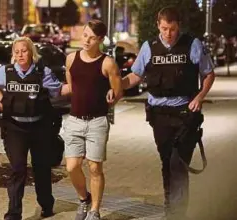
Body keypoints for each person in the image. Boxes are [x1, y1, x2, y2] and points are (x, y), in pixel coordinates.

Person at [121, 6, 215, 220]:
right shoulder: (149, 47)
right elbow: (135, 76)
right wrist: (117, 85)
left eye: (171, 29)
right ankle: (169, 208)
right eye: (164, 29)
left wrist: (199, 97)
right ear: (158, 25)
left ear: (178, 26)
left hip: (184, 115)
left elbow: (208, 73)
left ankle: (177, 214)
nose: (168, 34)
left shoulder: (192, 44)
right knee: (166, 163)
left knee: (178, 164)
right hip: (159, 116)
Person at [0, 36, 70, 220]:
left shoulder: (42, 72)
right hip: (15, 128)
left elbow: (58, 90)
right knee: (17, 169)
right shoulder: (6, 72)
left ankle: (46, 205)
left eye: (24, 51)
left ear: (31, 52)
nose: (20, 54)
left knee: (41, 168)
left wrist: (81, 85)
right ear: (13, 55)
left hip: (39, 127)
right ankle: (14, 214)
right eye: (17, 52)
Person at [64, 19, 123, 220]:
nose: (87, 40)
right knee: (72, 166)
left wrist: (111, 95)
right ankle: (83, 198)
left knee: (95, 167)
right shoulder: (71, 59)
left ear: (100, 40)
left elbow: (118, 91)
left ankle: (94, 211)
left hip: (97, 122)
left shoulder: (107, 63)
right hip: (74, 120)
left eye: (92, 37)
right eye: (85, 35)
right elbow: (72, 88)